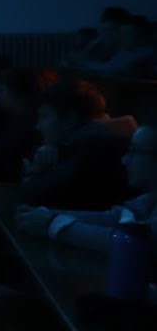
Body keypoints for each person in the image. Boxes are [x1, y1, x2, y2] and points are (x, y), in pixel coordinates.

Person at [16, 124, 157, 253]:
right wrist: (46, 214)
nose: (124, 160)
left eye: (134, 151)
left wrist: (51, 223)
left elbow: (133, 243)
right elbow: (115, 217)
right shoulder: (148, 199)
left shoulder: (90, 145)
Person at [21, 79, 134, 210]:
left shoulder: (95, 149)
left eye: (44, 116)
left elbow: (36, 196)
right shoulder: (96, 140)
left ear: (70, 120)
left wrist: (36, 172)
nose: (38, 126)